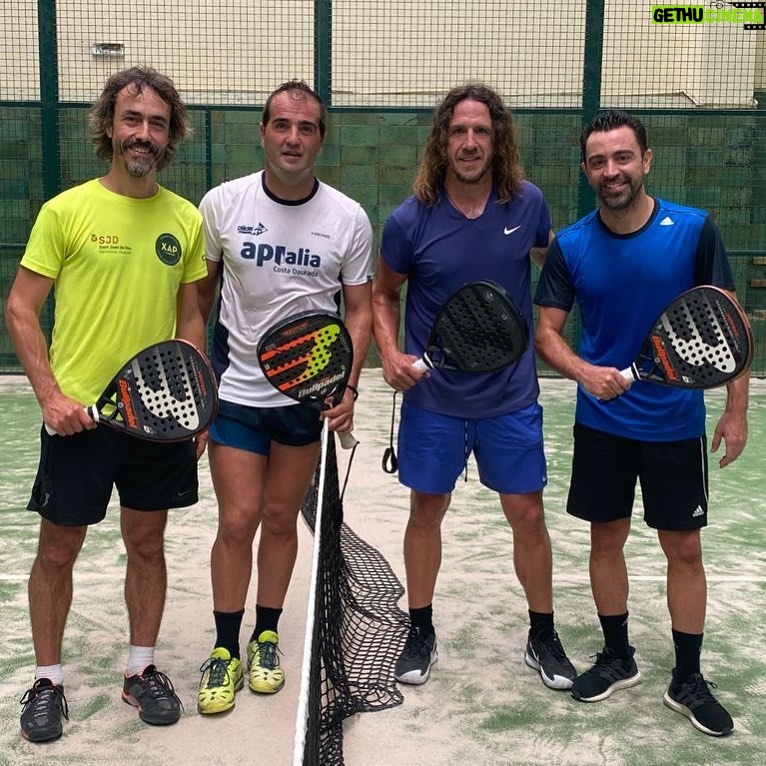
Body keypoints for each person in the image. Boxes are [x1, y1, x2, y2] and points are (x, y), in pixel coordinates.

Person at [5, 67, 207, 743]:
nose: (142, 133)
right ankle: (47, 681)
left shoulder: (185, 219)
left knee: (147, 543)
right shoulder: (65, 212)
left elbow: (191, 320)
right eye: (131, 119)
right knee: (58, 549)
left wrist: (191, 404)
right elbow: (21, 310)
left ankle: (140, 669)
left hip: (156, 421)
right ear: (109, 127)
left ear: (170, 133)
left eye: (155, 122)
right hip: (80, 421)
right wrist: (52, 397)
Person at [534, 110, 749, 737]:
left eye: (622, 157)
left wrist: (735, 410)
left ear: (646, 160)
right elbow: (547, 333)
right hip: (602, 422)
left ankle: (687, 679)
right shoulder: (571, 244)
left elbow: (730, 321)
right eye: (599, 161)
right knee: (606, 540)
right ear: (586, 171)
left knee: (683, 548)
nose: (612, 171)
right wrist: (584, 371)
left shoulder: (694, 230)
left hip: (675, 425)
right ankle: (617, 655)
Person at [371, 83, 576, 690]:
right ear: (442, 140)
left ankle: (542, 634)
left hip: (509, 398)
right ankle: (421, 629)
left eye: (480, 131)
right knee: (426, 510)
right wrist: (389, 353)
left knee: (527, 512)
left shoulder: (527, 204)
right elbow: (383, 294)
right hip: (434, 400)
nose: (468, 142)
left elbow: (555, 265)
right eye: (458, 131)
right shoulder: (410, 219)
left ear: (497, 139)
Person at [195, 80, 373, 715]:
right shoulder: (220, 205)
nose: (293, 138)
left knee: (278, 519)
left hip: (305, 401)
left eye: (306, 128)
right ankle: (224, 647)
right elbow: (198, 298)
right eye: (282, 126)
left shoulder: (348, 218)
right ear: (263, 131)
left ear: (321, 138)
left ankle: (266, 633)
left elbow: (359, 311)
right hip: (235, 394)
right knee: (236, 520)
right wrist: (198, 386)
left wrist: (346, 384)